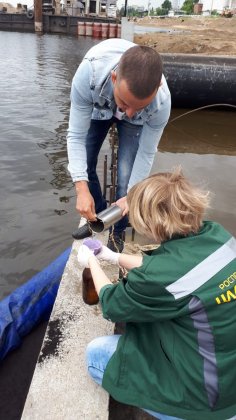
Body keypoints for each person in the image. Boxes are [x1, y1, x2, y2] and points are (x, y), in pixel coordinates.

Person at [77, 167, 236, 420]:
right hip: (228, 378)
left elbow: (111, 304)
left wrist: (92, 262)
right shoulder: (218, 236)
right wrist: (114, 256)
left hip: (205, 401)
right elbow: (178, 271)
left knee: (96, 354)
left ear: (151, 222)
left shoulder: (159, 278)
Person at [67, 38, 171, 252]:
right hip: (100, 104)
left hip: (138, 123)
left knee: (126, 180)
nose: (128, 113)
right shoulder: (89, 75)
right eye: (125, 103)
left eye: (139, 106)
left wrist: (131, 195)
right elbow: (76, 136)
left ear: (158, 86)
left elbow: (146, 153)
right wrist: (81, 188)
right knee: (85, 164)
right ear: (114, 78)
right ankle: (96, 221)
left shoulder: (162, 103)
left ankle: (117, 231)